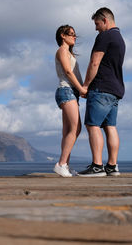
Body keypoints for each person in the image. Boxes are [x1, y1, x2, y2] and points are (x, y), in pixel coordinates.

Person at [78, 7, 126, 177]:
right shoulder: (120, 39)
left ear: (105, 20)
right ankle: (112, 167)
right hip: (116, 90)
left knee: (92, 125)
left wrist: (85, 85)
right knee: (110, 127)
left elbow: (94, 63)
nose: (96, 28)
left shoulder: (105, 36)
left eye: (97, 24)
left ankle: (97, 166)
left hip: (101, 88)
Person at [53, 25, 86, 177]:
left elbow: (74, 74)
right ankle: (61, 164)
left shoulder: (69, 53)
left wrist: (81, 89)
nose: (74, 37)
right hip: (66, 91)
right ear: (62, 35)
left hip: (71, 92)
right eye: (71, 34)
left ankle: (65, 165)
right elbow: (67, 72)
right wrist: (81, 88)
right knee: (76, 128)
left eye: (74, 34)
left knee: (68, 132)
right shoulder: (61, 51)